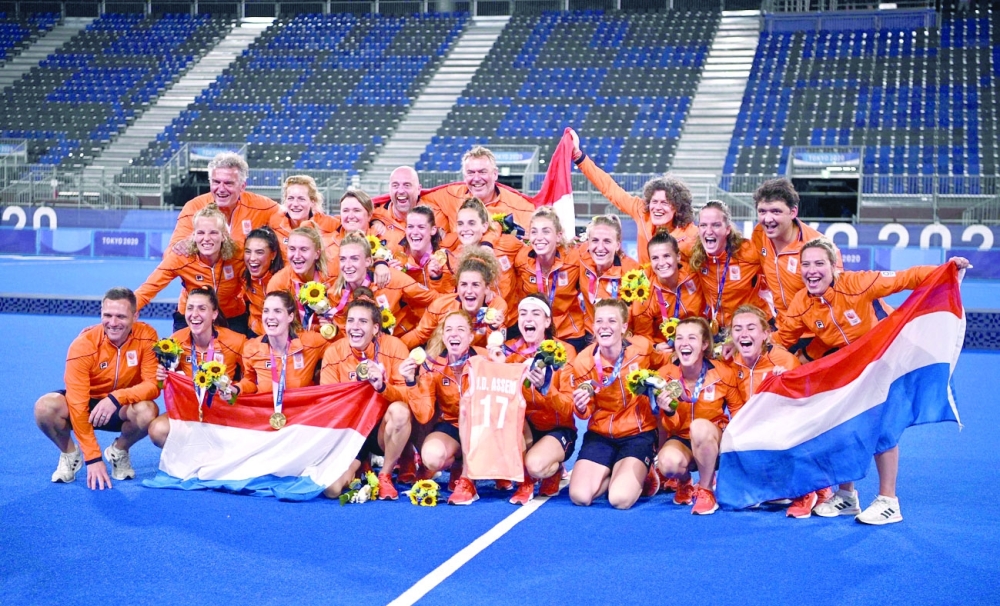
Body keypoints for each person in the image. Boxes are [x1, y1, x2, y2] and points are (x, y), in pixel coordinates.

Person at [773, 238, 971, 524]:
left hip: (889, 357)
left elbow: (907, 278)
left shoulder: (858, 283)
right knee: (844, 426)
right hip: (852, 368)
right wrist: (754, 348)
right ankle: (847, 497)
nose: (811, 270)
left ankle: (889, 501)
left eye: (819, 263)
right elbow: (781, 339)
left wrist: (948, 269)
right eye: (806, 264)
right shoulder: (801, 303)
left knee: (883, 429)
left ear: (834, 267)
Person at [34, 287, 159, 489]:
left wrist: (116, 398)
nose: (113, 323)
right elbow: (77, 403)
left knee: (148, 411)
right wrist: (93, 457)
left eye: (121, 316)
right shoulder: (83, 345)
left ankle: (119, 450)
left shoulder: (147, 336)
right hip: (87, 403)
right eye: (107, 315)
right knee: (45, 408)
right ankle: (69, 453)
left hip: (122, 406)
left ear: (135, 315)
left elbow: (153, 385)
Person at [567, 299, 666, 510]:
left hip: (637, 433)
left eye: (612, 321)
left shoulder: (642, 349)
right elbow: (584, 412)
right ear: (593, 327)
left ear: (623, 327)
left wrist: (659, 390)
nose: (604, 326)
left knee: (619, 499)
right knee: (580, 496)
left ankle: (642, 471)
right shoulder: (583, 362)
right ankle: (615, 469)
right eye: (599, 321)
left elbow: (665, 367)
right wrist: (581, 406)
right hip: (602, 435)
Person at [727, 304, 819, 517]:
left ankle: (806, 490)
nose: (744, 333)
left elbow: (805, 407)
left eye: (751, 328)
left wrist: (785, 384)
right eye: (737, 328)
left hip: (784, 430)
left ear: (766, 334)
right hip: (750, 431)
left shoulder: (784, 360)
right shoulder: (731, 363)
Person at [320, 289, 411, 500]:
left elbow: (410, 398)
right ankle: (361, 465)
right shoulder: (334, 352)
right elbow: (328, 402)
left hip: (381, 431)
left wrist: (382, 386)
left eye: (363, 321)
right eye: (351, 321)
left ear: (376, 328)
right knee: (332, 490)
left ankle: (385, 474)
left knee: (399, 412)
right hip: (351, 432)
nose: (355, 327)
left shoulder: (395, 347)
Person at [492, 294, 578, 505]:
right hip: (523, 427)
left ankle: (551, 468)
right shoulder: (509, 351)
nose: (528, 319)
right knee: (510, 419)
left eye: (535, 313)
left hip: (557, 428)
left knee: (536, 465)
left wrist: (545, 389)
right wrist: (499, 368)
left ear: (547, 321)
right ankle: (525, 482)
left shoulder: (565, 352)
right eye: (523, 314)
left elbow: (569, 408)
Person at [568, 128, 698, 264]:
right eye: (654, 201)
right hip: (643, 284)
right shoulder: (641, 211)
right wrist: (579, 157)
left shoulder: (691, 234)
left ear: (677, 207)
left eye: (665, 203)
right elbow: (609, 188)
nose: (657, 208)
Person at [656, 317, 745, 515]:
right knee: (668, 463)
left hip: (714, 438)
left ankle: (706, 490)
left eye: (692, 338)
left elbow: (738, 413)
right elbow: (668, 428)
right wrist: (669, 411)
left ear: (704, 344)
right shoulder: (665, 375)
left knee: (699, 427)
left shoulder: (723, 373)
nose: (684, 343)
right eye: (679, 338)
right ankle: (684, 482)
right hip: (681, 438)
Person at [401, 311, 489, 505]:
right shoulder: (433, 365)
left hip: (483, 429)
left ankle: (468, 479)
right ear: (443, 336)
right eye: (448, 329)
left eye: (460, 329)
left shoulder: (485, 359)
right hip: (452, 427)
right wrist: (410, 382)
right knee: (431, 457)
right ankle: (458, 463)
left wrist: (498, 367)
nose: (453, 334)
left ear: (471, 336)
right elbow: (424, 415)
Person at [147, 287, 247, 448]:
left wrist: (235, 389)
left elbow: (252, 378)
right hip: (190, 413)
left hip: (225, 412)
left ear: (214, 314)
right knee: (158, 430)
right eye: (190, 308)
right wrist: (160, 379)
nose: (194, 314)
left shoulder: (237, 342)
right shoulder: (175, 342)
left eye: (202, 308)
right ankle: (195, 453)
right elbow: (164, 386)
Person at [136, 204, 247, 334]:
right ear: (193, 236)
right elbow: (148, 288)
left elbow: (255, 284)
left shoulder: (239, 255)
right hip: (190, 317)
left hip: (231, 317)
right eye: (200, 233)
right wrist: (126, 310)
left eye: (213, 232)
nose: (206, 239)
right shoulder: (182, 257)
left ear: (224, 236)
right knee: (176, 352)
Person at [325, 231, 437, 338]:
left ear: (368, 261)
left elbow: (435, 300)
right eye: (343, 259)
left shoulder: (392, 278)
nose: (347, 265)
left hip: (400, 346)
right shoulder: (336, 294)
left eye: (354, 258)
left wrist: (412, 338)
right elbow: (346, 339)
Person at [689, 200, 770, 339]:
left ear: (727, 229)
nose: (708, 231)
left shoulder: (748, 252)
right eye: (703, 225)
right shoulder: (696, 255)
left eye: (716, 225)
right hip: (716, 329)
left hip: (751, 329)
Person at [511, 207, 587, 353]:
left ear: (558, 236)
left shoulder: (574, 259)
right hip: (536, 332)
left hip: (569, 333)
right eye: (534, 231)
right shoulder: (522, 260)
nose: (539, 237)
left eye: (546, 231)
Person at [169, 152, 279, 249]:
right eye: (216, 182)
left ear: (242, 186)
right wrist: (181, 246)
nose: (221, 189)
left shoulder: (264, 206)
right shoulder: (194, 207)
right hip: (206, 272)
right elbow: (172, 251)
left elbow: (287, 226)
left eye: (228, 183)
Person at [402, 248, 507, 349]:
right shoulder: (441, 306)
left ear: (487, 288)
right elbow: (419, 335)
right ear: (457, 286)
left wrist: (494, 328)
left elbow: (498, 350)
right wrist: (394, 349)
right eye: (464, 284)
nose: (469, 290)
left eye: (475, 285)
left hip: (481, 362)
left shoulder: (497, 307)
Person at [234, 291, 328, 397]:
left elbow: (340, 348)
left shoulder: (310, 342)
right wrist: (237, 388)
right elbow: (250, 381)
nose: (270, 317)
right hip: (268, 411)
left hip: (302, 410)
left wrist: (333, 330)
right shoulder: (251, 349)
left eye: (277, 311)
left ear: (290, 317)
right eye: (266, 311)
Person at [421, 146, 536, 232]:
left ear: (495, 174)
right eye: (470, 173)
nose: (476, 178)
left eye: (482, 172)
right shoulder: (451, 195)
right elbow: (418, 197)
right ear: (464, 177)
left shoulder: (521, 206)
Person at [629, 231, 705, 351]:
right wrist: (655, 347)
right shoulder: (644, 293)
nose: (661, 263)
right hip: (668, 352)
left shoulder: (695, 274)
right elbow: (642, 335)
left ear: (678, 256)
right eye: (655, 258)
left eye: (666, 256)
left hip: (700, 344)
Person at [438, 198, 521, 300]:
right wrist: (436, 278)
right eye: (460, 224)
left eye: (471, 223)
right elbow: (448, 297)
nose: (465, 228)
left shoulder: (507, 244)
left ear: (484, 226)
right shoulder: (451, 260)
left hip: (511, 315)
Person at [265, 226, 339, 335]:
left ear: (317, 253)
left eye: (304, 249)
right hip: (296, 340)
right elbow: (276, 326)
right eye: (292, 249)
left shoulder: (332, 277)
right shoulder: (278, 283)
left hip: (330, 337)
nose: (297, 255)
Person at [579, 214, 640, 334]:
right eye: (595, 240)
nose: (600, 247)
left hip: (621, 337)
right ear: (588, 243)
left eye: (607, 241)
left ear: (617, 245)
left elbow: (640, 316)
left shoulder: (633, 272)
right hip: (590, 333)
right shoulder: (581, 258)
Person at [269, 175, 339, 263]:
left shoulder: (330, 225)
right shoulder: (274, 223)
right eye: (290, 198)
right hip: (283, 276)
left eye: (301, 199)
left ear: (312, 202)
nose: (295, 204)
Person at [389, 205, 450, 294]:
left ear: (433, 230)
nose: (415, 232)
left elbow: (447, 300)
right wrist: (395, 279)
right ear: (405, 230)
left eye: (421, 227)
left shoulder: (444, 261)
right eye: (410, 227)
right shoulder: (395, 258)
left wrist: (436, 278)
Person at [241, 226, 284, 338]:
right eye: (248, 252)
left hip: (283, 332)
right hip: (255, 332)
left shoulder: (286, 277)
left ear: (273, 254)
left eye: (259, 252)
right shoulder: (242, 274)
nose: (252, 258)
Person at [371, 166, 421, 254]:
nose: (401, 190)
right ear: (389, 189)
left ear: (419, 189)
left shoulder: (435, 215)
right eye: (395, 185)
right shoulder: (374, 215)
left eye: (407, 185)